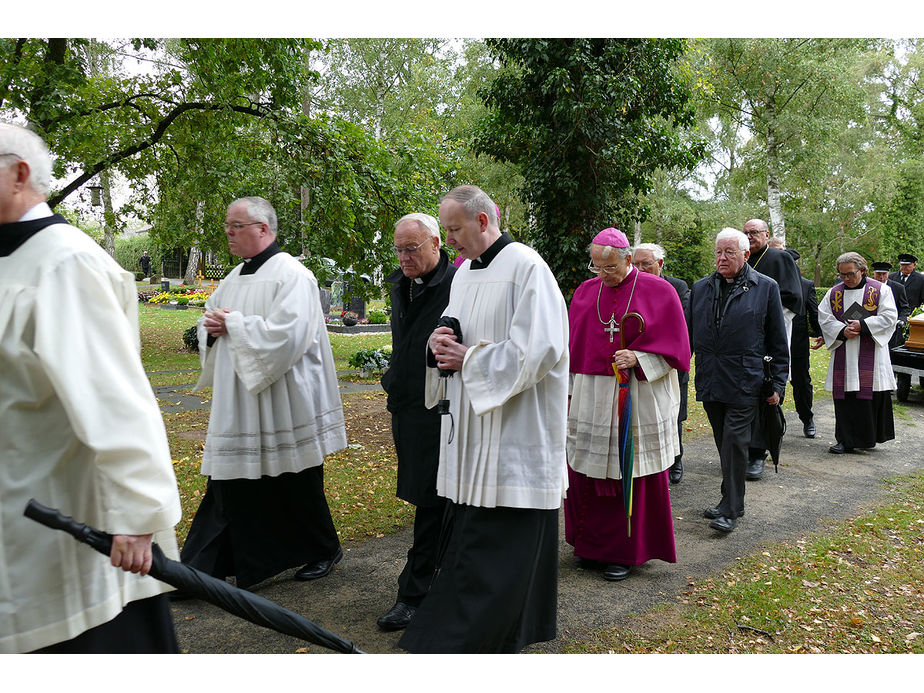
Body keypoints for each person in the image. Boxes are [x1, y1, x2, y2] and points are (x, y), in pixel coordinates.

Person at [0, 122, 182, 653]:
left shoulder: (65, 261)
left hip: (69, 519)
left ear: (20, 173)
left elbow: (115, 396)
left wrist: (136, 514)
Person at [397, 185, 569, 653]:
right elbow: (454, 320)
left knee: (499, 537)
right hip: (472, 427)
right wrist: (441, 339)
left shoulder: (528, 267)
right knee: (468, 530)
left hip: (515, 425)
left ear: (482, 220)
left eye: (453, 229)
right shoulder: (465, 272)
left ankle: (495, 629)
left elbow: (541, 349)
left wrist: (468, 358)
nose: (449, 239)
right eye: (446, 229)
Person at [180, 196, 347, 589]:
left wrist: (234, 325)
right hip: (240, 397)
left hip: (283, 397)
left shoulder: (292, 275)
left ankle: (323, 549)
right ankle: (207, 569)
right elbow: (211, 318)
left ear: (264, 229)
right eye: (227, 225)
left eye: (236, 225)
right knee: (230, 479)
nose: (228, 232)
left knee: (296, 478)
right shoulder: (233, 277)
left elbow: (289, 336)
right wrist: (214, 326)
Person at [564, 231, 689, 582]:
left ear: (629, 260)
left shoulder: (659, 291)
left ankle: (626, 553)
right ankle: (588, 546)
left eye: (610, 267)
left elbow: (677, 352)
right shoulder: (586, 292)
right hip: (593, 394)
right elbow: (574, 348)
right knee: (590, 468)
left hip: (639, 392)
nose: (602, 274)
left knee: (630, 469)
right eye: (597, 266)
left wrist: (639, 356)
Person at [377, 213, 456, 631]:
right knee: (425, 495)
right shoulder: (400, 282)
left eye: (412, 248)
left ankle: (415, 593)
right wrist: (394, 378)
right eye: (399, 248)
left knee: (433, 499)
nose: (404, 256)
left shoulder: (457, 283)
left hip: (444, 407)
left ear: (436, 243)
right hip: (407, 404)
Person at [689, 228, 788, 533]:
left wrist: (779, 383)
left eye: (729, 252)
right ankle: (731, 499)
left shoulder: (766, 287)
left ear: (746, 255)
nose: (722, 258)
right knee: (723, 442)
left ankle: (730, 509)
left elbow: (777, 339)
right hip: (711, 377)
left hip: (746, 379)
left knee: (735, 441)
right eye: (718, 252)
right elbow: (689, 334)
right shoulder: (701, 288)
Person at [742, 219, 803, 480]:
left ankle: (759, 454)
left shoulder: (779, 259)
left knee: (765, 396)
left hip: (768, 339)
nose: (750, 236)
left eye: (754, 232)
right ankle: (741, 451)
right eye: (745, 233)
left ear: (767, 234)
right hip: (741, 342)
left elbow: (793, 298)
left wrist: (763, 321)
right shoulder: (740, 259)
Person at [818, 253, 897, 454]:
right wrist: (842, 330)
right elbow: (824, 318)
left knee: (869, 395)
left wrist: (863, 325)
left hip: (871, 352)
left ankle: (867, 438)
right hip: (845, 350)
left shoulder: (880, 290)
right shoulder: (834, 293)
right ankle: (844, 439)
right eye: (842, 275)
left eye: (850, 274)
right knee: (845, 396)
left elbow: (889, 317)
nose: (845, 279)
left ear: (862, 270)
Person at [632, 241, 690, 483]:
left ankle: (675, 461)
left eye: (646, 264)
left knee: (671, 413)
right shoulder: (630, 286)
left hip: (668, 362)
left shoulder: (677, 287)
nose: (640, 269)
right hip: (636, 362)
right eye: (635, 264)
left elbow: (683, 327)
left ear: (660, 264)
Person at [775, 242, 823, 438]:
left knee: (801, 382)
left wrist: (821, 332)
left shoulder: (806, 285)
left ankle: (807, 417)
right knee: (776, 382)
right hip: (776, 342)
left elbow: (814, 312)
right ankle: (776, 423)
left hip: (798, 341)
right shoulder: (769, 283)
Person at [872, 261, 911, 350]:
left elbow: (904, 307)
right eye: (878, 274)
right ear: (873, 274)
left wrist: (901, 320)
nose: (881, 277)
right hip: (872, 326)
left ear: (888, 274)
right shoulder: (867, 286)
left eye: (884, 274)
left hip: (890, 327)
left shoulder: (898, 288)